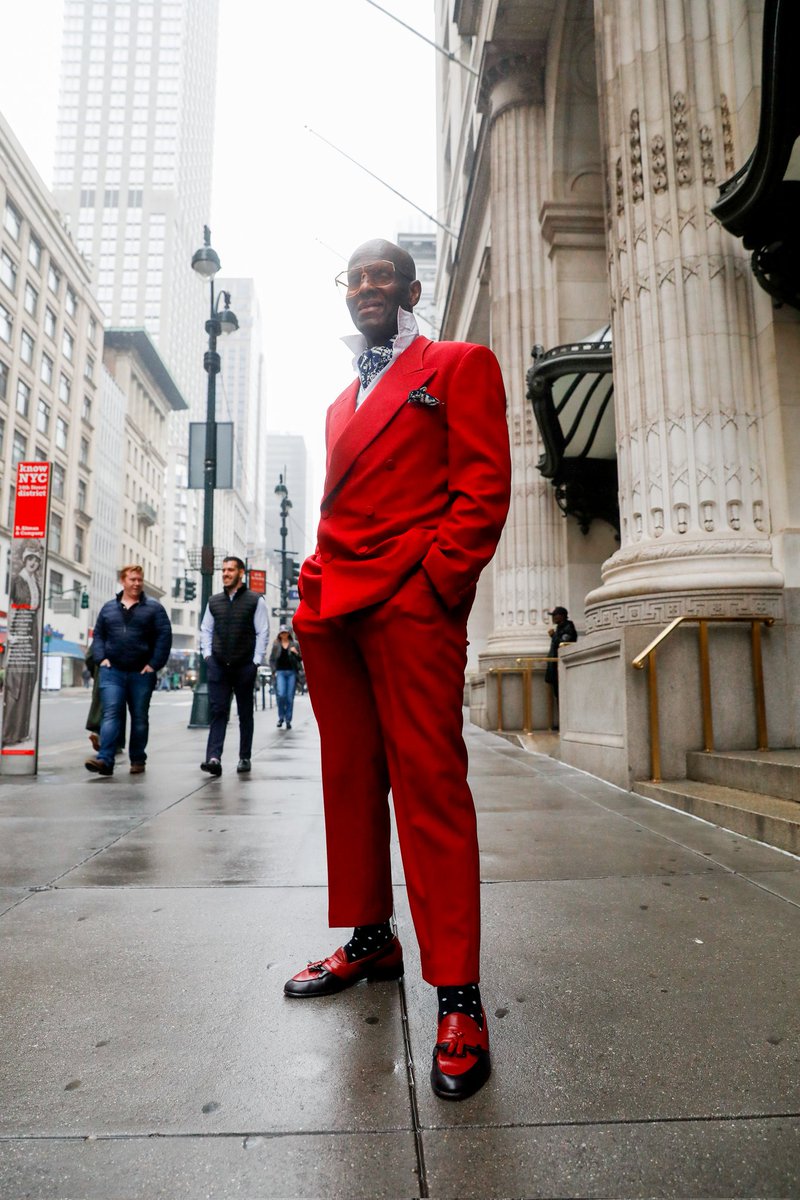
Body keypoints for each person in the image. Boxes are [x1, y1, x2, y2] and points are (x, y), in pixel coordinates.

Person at [285, 238, 511, 1102]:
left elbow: (483, 487)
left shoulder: (455, 363)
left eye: (384, 275)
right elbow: (339, 505)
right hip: (332, 605)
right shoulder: (342, 403)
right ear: (345, 294)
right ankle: (372, 938)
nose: (369, 287)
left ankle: (459, 994)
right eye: (357, 277)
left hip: (409, 604)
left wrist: (436, 588)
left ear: (411, 289)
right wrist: (311, 580)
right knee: (349, 778)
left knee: (429, 786)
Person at [86, 565, 172, 776]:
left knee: (140, 717)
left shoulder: (154, 608)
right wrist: (101, 659)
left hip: (140, 674)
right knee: (111, 714)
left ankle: (138, 759)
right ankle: (105, 760)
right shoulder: (108, 608)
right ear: (123, 581)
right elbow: (98, 636)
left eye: (139, 580)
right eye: (132, 579)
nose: (136, 583)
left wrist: (153, 664)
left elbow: (164, 637)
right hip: (112, 671)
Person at [199, 556, 269, 776]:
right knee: (218, 711)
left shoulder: (255, 600)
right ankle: (213, 758)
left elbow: (262, 632)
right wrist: (208, 657)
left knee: (245, 713)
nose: (225, 573)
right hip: (218, 665)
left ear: (241, 573)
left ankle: (244, 757)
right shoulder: (214, 601)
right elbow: (206, 630)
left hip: (244, 666)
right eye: (223, 570)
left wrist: (255, 662)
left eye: (230, 570)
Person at [2, 542, 44, 746]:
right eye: (30, 559)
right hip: (20, 630)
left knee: (28, 680)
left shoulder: (35, 581)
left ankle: (21, 731)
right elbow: (14, 608)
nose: (33, 563)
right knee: (17, 682)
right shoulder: (19, 580)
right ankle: (10, 732)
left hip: (32, 631)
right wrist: (13, 634)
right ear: (25, 560)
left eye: (36, 560)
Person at [544, 606, 578, 727]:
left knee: (564, 695)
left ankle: (566, 723)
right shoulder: (559, 628)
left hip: (562, 667)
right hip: (555, 668)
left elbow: (563, 644)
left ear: (561, 616)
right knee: (558, 695)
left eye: (555, 615)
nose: (553, 618)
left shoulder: (569, 627)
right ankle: (562, 722)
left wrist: (553, 636)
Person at [269, 625, 302, 729]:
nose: (284, 634)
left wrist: (295, 652)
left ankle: (288, 720)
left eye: (285, 632)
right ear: (279, 634)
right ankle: (281, 717)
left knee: (289, 697)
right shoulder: (276, 645)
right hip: (281, 672)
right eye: (282, 632)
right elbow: (272, 659)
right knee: (281, 695)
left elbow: (300, 658)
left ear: (289, 633)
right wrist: (273, 670)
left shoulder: (295, 644)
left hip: (292, 672)